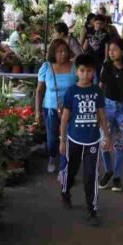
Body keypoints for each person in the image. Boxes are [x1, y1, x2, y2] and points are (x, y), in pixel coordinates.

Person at [59, 54, 111, 227]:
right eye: (82, 70)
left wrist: (106, 136)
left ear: (93, 72)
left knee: (90, 176)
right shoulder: (71, 91)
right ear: (77, 71)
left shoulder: (97, 92)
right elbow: (65, 118)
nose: (85, 74)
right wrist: (62, 140)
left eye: (89, 71)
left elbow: (102, 115)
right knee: (71, 171)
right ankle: (65, 191)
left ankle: (92, 210)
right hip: (73, 140)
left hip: (92, 141)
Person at [98, 38, 123, 192]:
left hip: (122, 109)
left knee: (119, 146)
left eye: (114, 50)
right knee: (104, 143)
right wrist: (98, 111)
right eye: (109, 50)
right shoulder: (107, 66)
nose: (111, 53)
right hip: (107, 108)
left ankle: (117, 177)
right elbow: (100, 88)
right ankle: (108, 171)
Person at [36, 39, 77, 173]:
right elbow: (39, 91)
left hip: (70, 109)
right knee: (52, 139)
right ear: (53, 53)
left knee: (68, 137)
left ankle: (65, 166)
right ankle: (52, 156)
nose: (63, 54)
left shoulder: (75, 67)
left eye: (65, 51)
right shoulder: (46, 67)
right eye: (59, 51)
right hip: (50, 108)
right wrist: (37, 112)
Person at [83, 15, 110, 83]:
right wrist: (83, 52)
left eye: (100, 24)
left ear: (103, 24)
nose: (98, 25)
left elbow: (107, 45)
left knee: (98, 76)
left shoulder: (106, 34)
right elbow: (86, 43)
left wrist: (106, 58)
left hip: (100, 57)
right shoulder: (89, 31)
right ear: (94, 23)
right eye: (97, 23)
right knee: (89, 75)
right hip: (89, 57)